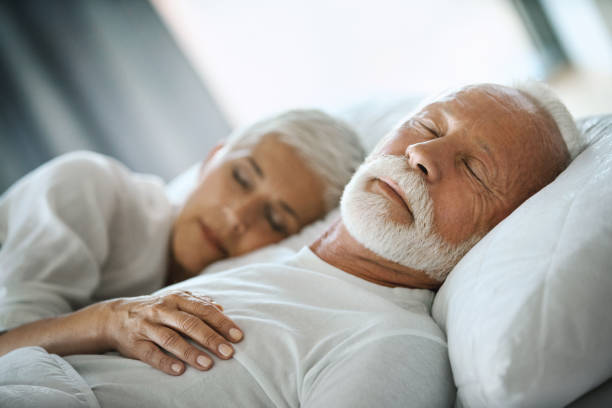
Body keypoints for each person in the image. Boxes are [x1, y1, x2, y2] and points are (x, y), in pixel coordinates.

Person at [0, 82, 581, 408]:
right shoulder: (259, 266)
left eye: (475, 171)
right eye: (427, 128)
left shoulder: (391, 343)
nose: (423, 156)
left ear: (502, 226)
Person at [0, 110, 365, 359]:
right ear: (212, 159)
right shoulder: (89, 186)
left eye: (273, 218)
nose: (237, 215)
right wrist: (106, 321)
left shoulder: (232, 297)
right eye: (240, 178)